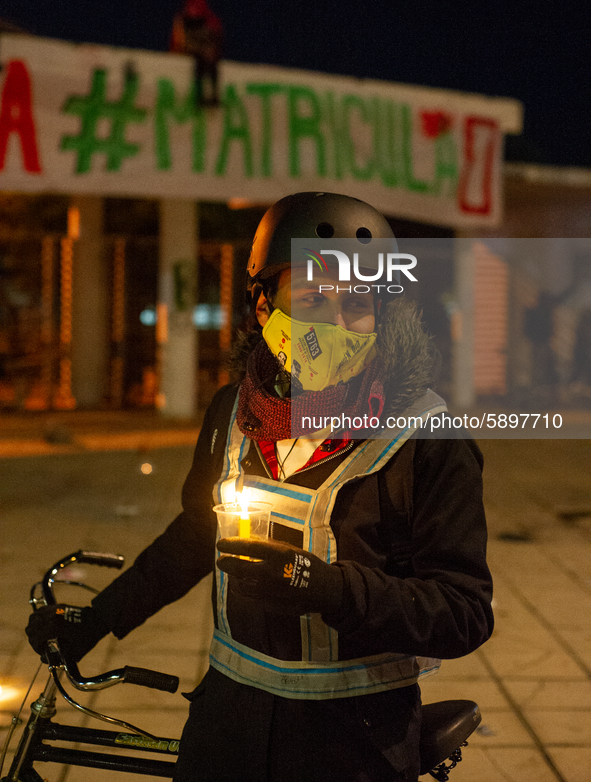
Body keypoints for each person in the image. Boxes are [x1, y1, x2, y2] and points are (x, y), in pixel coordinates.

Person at [27, 192, 493, 782]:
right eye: (312, 299)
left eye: (357, 303)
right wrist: (96, 620)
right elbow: (198, 534)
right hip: (230, 717)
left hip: (354, 738)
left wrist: (325, 587)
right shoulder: (232, 413)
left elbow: (464, 612)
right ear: (264, 306)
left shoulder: (428, 439)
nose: (335, 324)